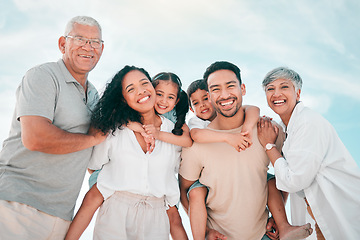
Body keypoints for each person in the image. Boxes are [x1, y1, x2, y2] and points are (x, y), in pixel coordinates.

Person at [0, 16, 106, 239]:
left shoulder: (94, 95)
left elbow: (93, 158)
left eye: (94, 41)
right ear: (62, 44)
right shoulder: (43, 76)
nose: (88, 47)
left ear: (101, 49)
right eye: (79, 39)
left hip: (61, 216)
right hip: (16, 205)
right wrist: (92, 139)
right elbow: (36, 138)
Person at [179, 61, 301, 240]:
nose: (225, 94)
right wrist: (204, 230)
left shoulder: (267, 129)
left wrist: (278, 216)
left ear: (242, 88)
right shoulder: (197, 142)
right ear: (210, 95)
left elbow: (288, 172)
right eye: (216, 89)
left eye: (230, 86)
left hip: (263, 235)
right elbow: (185, 191)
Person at [65, 71, 190, 240]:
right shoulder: (116, 130)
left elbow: (173, 211)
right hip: (115, 215)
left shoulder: (174, 134)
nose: (141, 91)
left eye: (144, 84)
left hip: (156, 220)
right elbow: (94, 176)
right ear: (124, 98)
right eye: (131, 89)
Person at [257, 67, 360, 240]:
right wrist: (278, 215)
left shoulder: (308, 123)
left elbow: (294, 180)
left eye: (284, 87)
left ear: (297, 93)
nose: (276, 94)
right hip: (317, 217)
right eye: (270, 89)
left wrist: (269, 146)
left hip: (341, 209)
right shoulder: (284, 128)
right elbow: (285, 173)